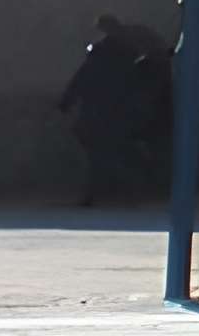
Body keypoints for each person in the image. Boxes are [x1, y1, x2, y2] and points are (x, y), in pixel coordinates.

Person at [58, 12, 172, 206]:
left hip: (104, 114)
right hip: (121, 114)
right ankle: (125, 192)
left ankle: (103, 193)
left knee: (102, 155)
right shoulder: (135, 54)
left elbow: (82, 79)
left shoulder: (104, 53)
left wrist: (65, 103)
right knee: (117, 153)